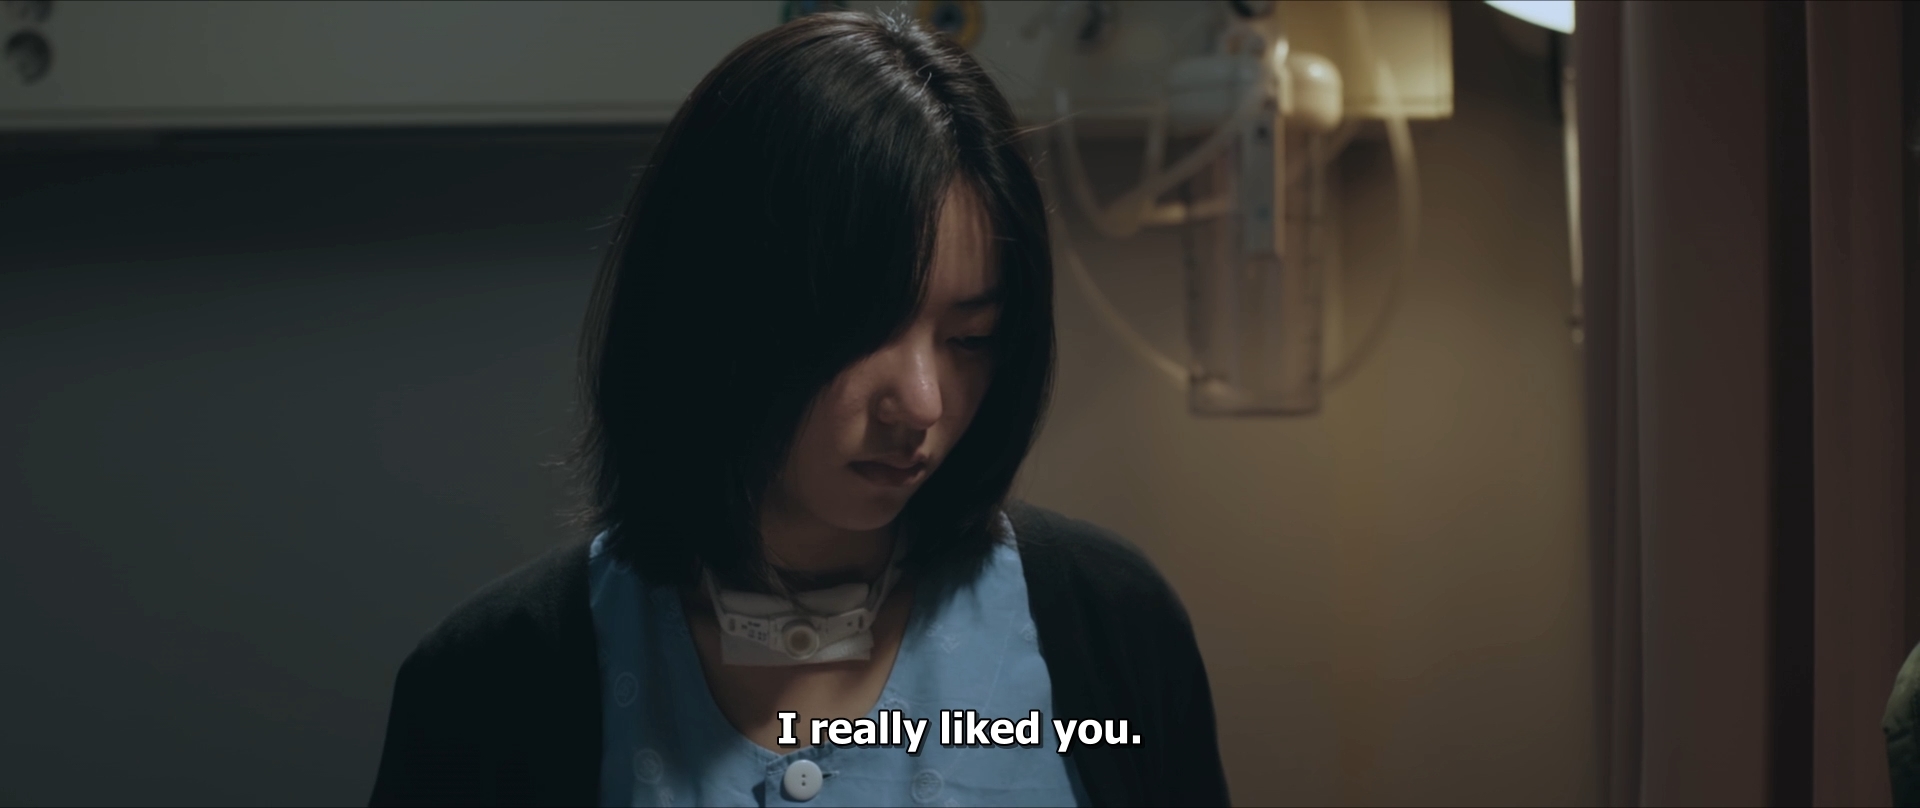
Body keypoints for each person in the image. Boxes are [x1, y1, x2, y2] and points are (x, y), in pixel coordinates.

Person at [368, 10, 1228, 807]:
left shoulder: (1107, 625)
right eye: (866, 331)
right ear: (714, 316)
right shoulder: (491, 685)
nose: (922, 402)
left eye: (970, 339)